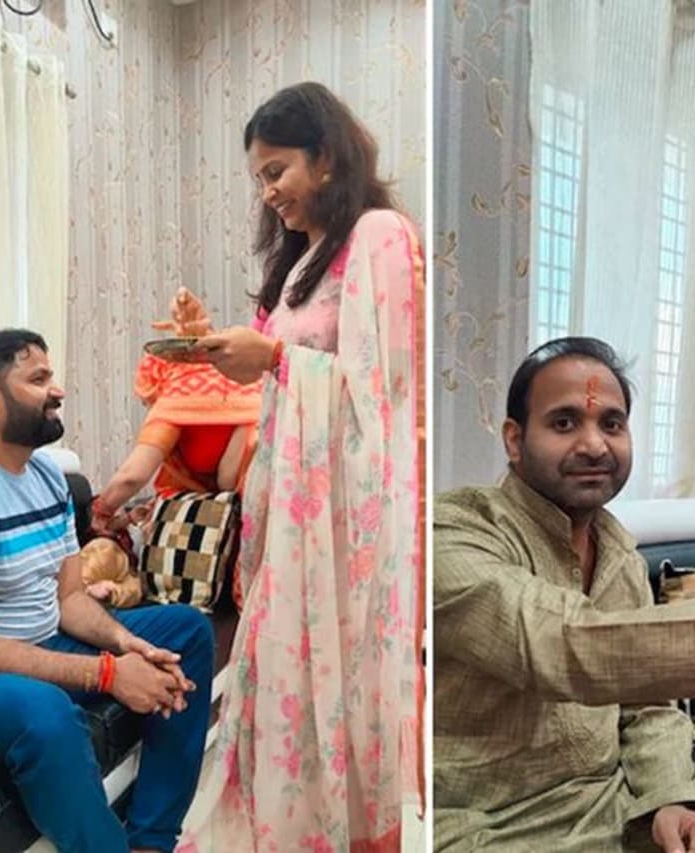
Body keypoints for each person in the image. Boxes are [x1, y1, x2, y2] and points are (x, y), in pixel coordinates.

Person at [434, 336, 695, 852]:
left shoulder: (620, 554)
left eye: (611, 424)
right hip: (499, 820)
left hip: (613, 802)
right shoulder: (455, 530)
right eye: (564, 423)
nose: (594, 445)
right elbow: (562, 643)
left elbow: (649, 705)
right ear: (514, 440)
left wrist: (671, 797)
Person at [173, 82, 425, 852]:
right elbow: (271, 376)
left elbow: (384, 394)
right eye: (259, 177)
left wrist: (277, 357)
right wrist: (211, 342)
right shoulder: (297, 265)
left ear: (326, 159)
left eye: (277, 170)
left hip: (346, 522)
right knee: (281, 677)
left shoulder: (378, 236)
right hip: (289, 510)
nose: (268, 191)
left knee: (338, 680)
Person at [0, 329, 213, 853]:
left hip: (40, 641)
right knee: (44, 711)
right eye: (38, 379)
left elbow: (70, 599)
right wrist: (107, 673)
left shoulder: (47, 477)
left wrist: (128, 645)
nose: (56, 390)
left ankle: (151, 840)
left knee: (185, 631)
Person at [92, 352, 264, 607]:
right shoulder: (247, 390)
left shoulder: (176, 400)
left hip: (245, 521)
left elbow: (131, 477)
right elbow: (227, 480)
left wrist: (100, 512)